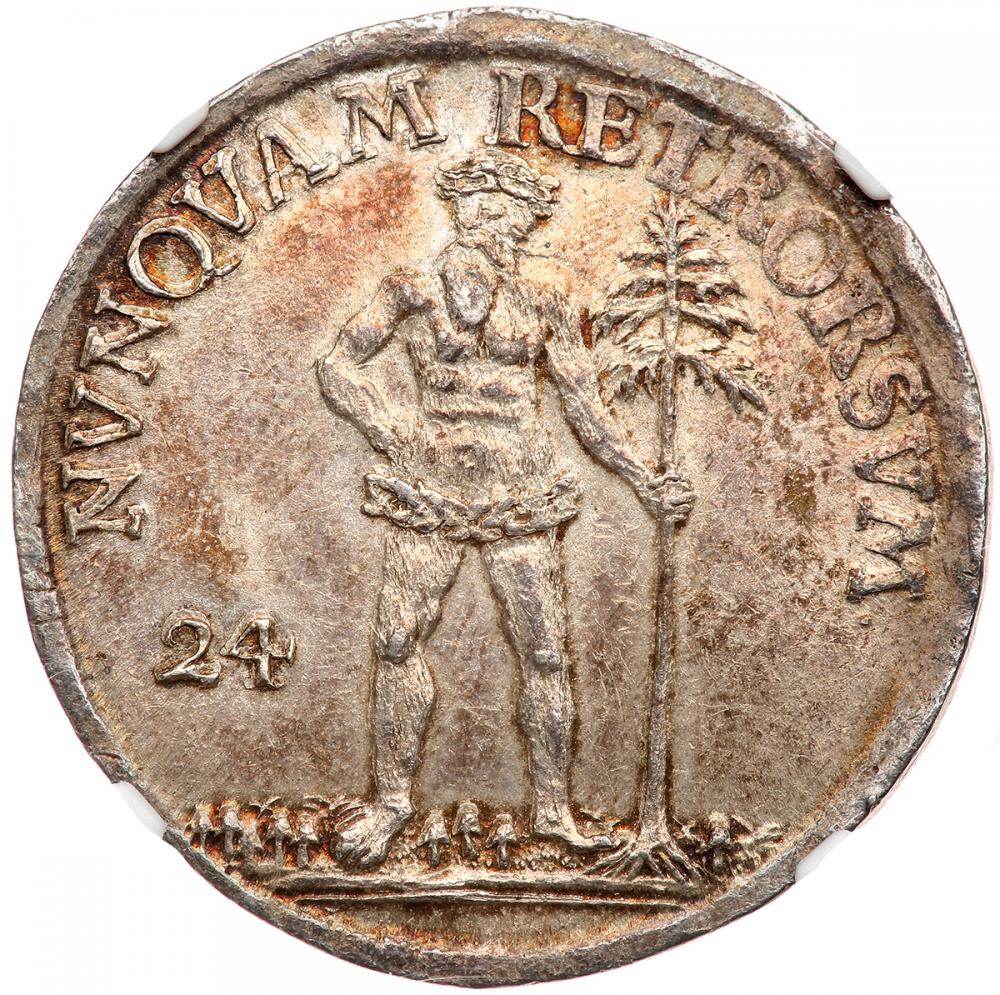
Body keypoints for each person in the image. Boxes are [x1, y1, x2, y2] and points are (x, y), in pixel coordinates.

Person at [318, 150, 693, 868]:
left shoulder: (546, 299)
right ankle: (391, 803)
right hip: (428, 489)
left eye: (505, 209)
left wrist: (644, 480)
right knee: (396, 642)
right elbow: (337, 363)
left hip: (519, 490)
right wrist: (387, 425)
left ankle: (552, 811)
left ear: (524, 222)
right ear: (459, 209)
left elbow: (585, 405)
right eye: (477, 203)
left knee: (545, 651)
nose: (488, 218)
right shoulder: (411, 289)